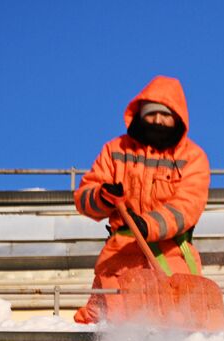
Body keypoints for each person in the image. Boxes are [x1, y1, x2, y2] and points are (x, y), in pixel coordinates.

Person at [73, 76, 210, 324]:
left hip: (172, 261)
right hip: (118, 261)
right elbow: (84, 198)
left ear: (178, 117)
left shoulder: (193, 157)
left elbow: (187, 207)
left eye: (165, 114)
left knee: (178, 328)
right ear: (139, 115)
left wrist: (147, 226)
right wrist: (102, 196)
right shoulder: (115, 150)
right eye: (151, 113)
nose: (158, 120)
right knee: (102, 327)